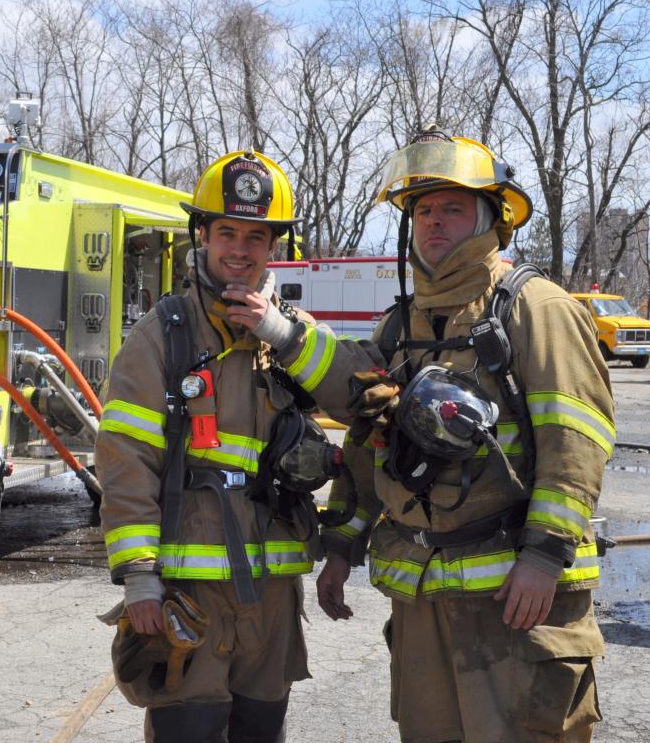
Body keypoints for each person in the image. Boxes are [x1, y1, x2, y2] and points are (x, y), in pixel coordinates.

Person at [272, 129, 612, 741]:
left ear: (490, 219)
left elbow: (576, 441)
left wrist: (544, 556)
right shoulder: (402, 325)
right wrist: (343, 544)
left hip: (516, 601)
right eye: (423, 209)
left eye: (452, 207)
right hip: (424, 600)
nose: (434, 221)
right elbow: (370, 446)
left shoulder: (536, 308)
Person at [97, 150, 348, 742]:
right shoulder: (162, 335)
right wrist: (139, 576)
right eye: (227, 232)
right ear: (203, 235)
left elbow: (360, 399)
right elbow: (127, 461)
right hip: (189, 596)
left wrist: (281, 334)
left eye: (256, 236)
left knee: (262, 731)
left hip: (272, 597)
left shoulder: (292, 333)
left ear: (275, 246)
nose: (240, 249)